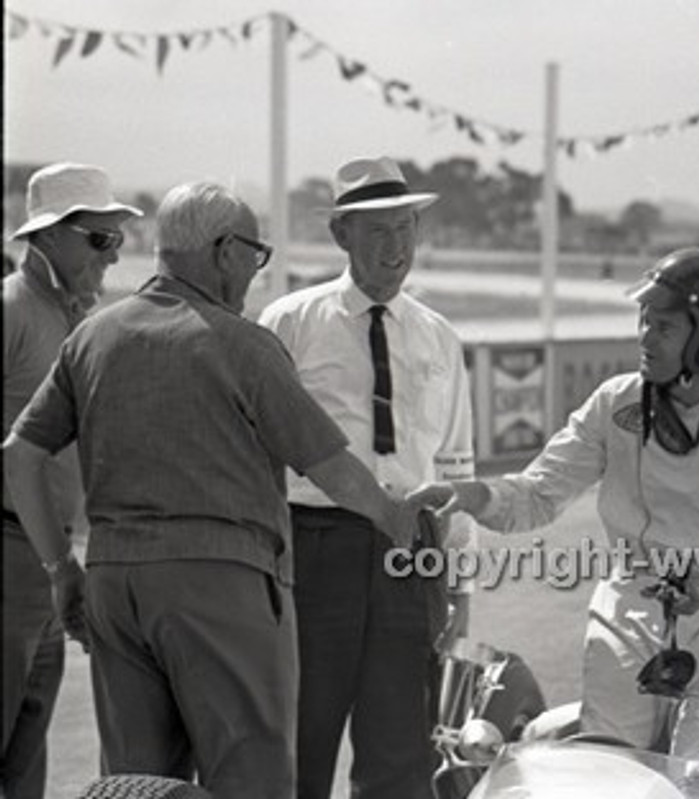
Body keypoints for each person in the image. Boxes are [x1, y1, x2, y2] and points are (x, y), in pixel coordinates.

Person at [2, 181, 432, 798]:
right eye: (255, 255)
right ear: (225, 251)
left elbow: (20, 454)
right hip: (221, 585)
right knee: (250, 779)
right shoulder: (244, 344)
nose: (255, 273)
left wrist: (59, 569)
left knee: (135, 785)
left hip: (113, 583)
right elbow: (329, 466)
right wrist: (396, 518)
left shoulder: (93, 337)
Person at [419, 248, 699, 761]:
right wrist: (471, 495)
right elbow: (537, 495)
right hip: (628, 618)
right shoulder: (614, 404)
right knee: (609, 768)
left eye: (663, 326)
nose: (644, 335)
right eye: (643, 320)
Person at [258, 156, 476, 799]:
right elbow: (260, 455)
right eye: (377, 231)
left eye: (405, 228)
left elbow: (456, 464)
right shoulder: (289, 323)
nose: (396, 247)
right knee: (303, 738)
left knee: (402, 747)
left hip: (414, 554)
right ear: (340, 235)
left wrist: (459, 585)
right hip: (315, 545)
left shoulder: (439, 337)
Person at [2, 163, 139, 799]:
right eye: (100, 239)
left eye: (117, 241)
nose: (112, 257)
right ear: (49, 237)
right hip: (11, 555)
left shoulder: (76, 319)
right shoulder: (11, 311)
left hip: (48, 558)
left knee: (28, 758)